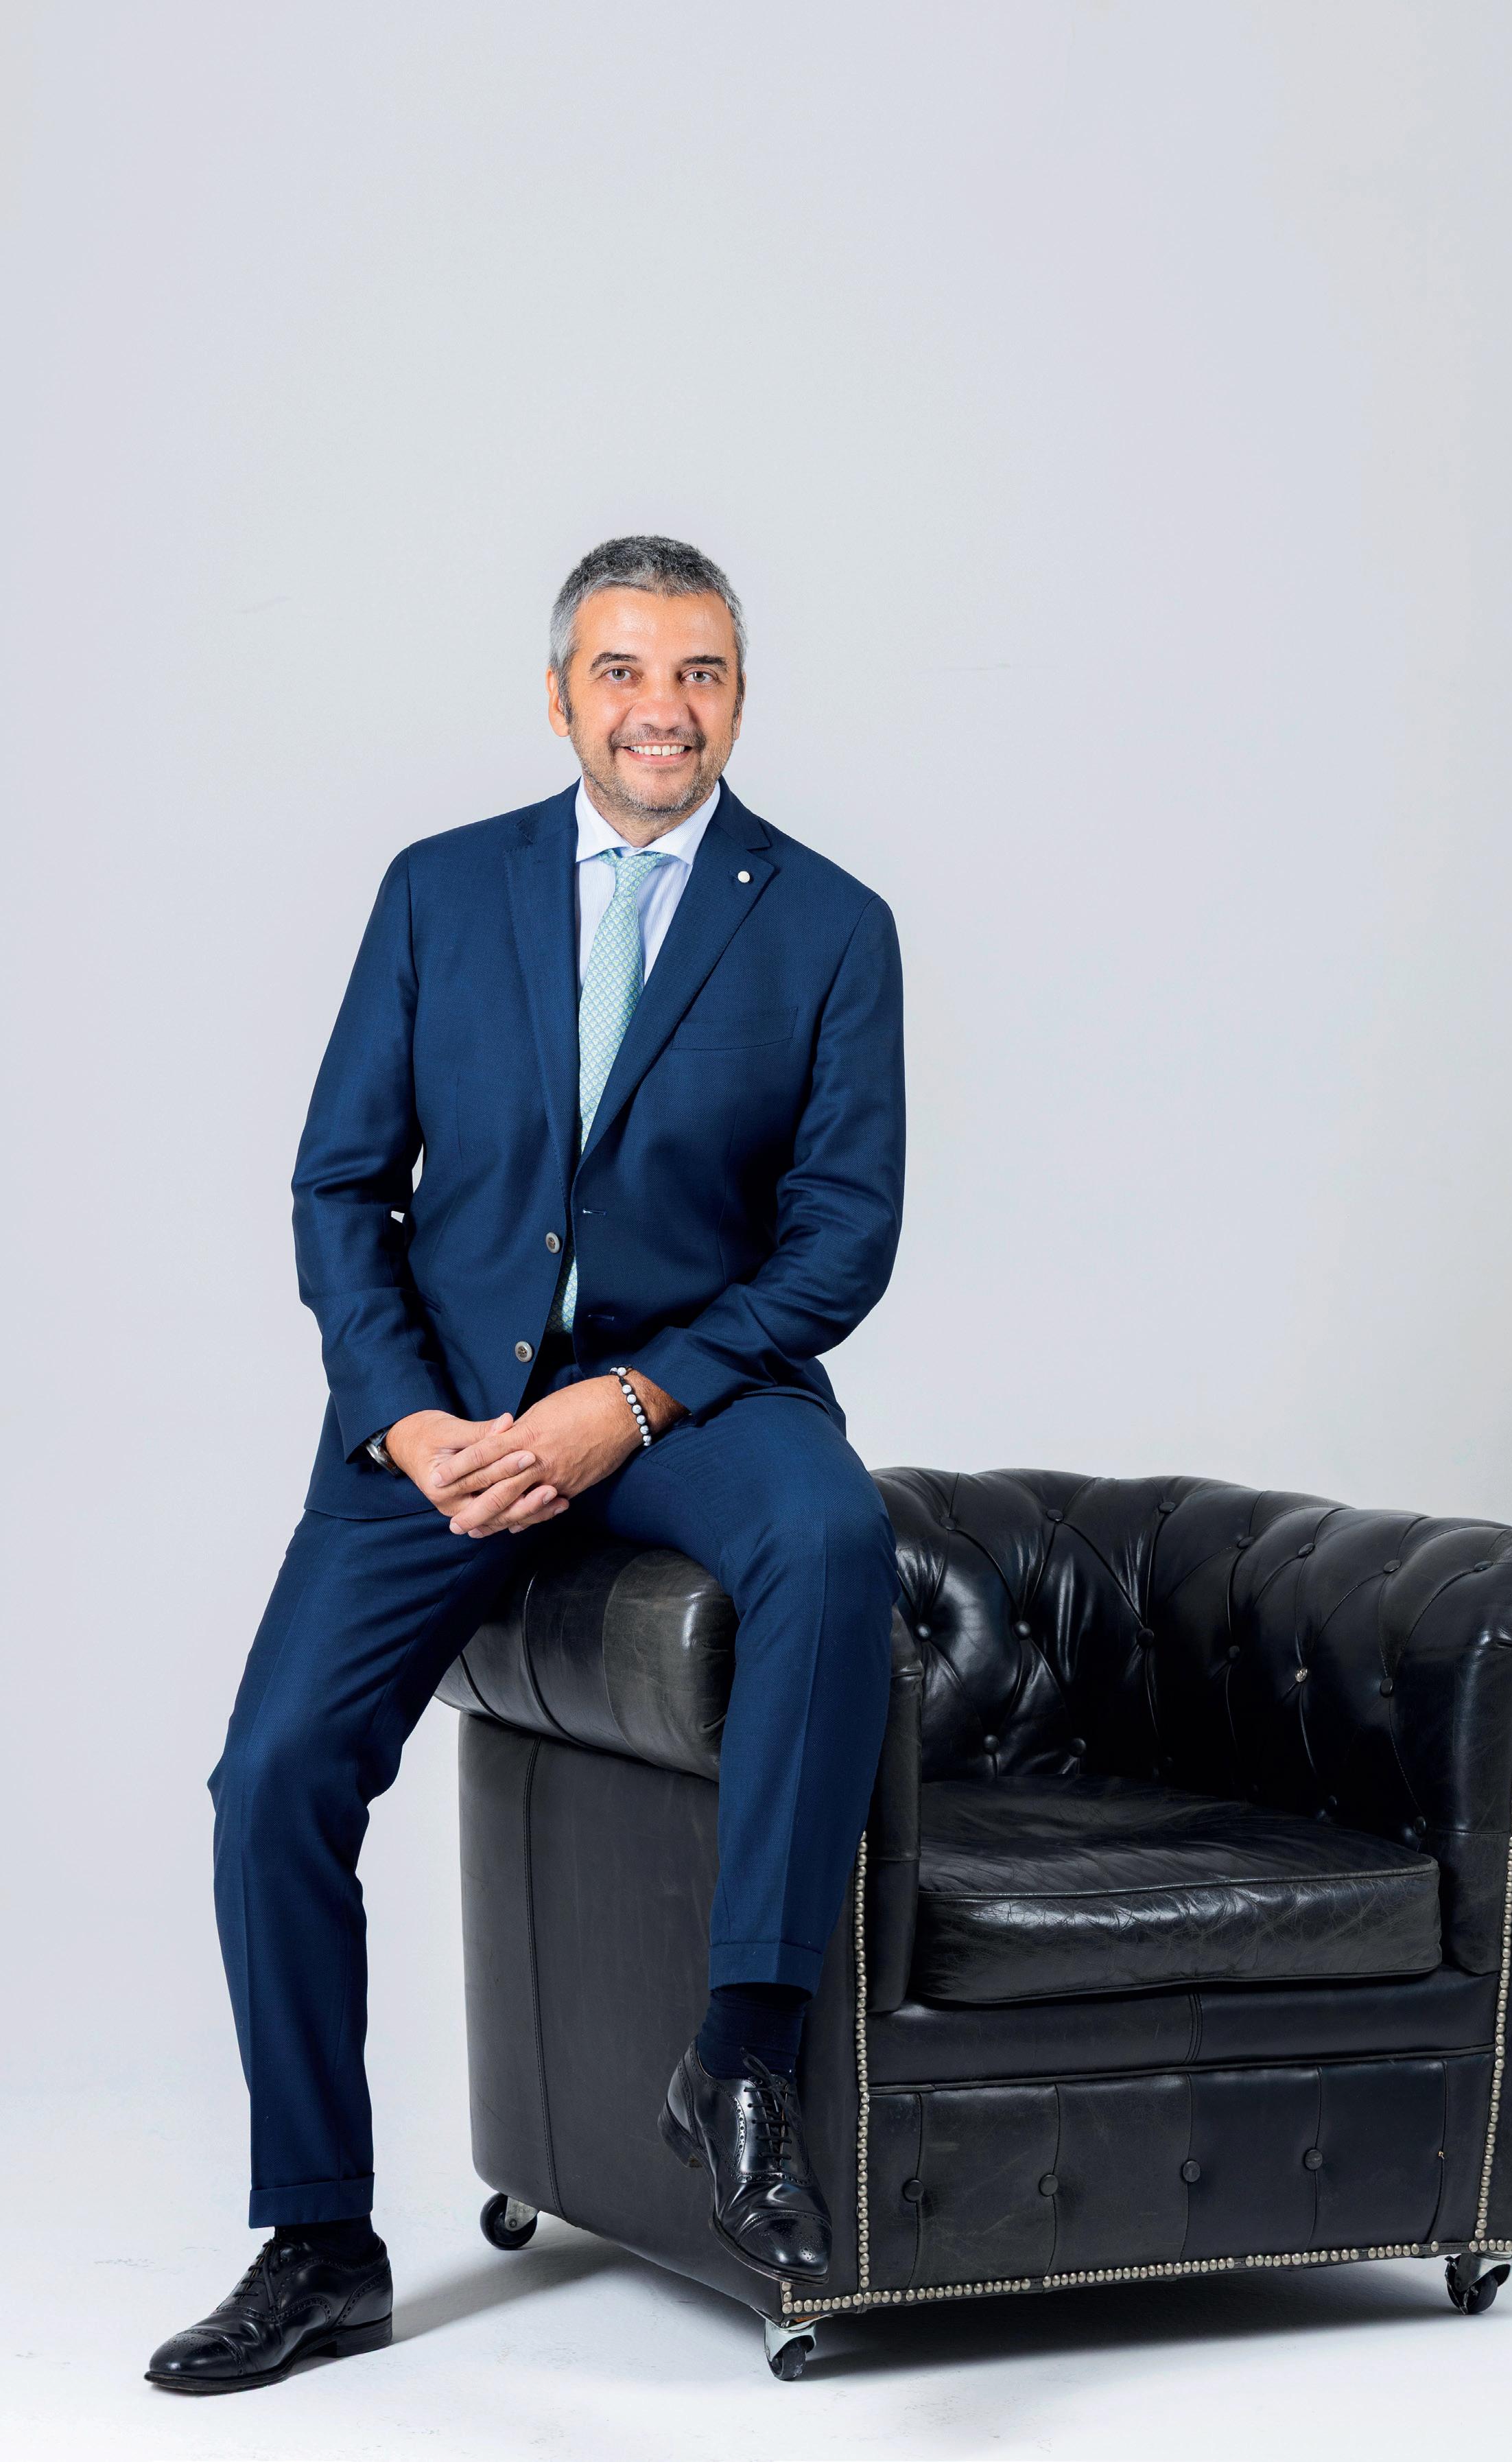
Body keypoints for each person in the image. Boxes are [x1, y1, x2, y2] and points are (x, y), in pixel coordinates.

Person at [146, 537, 905, 2394]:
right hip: (443, 1413)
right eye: (625, 671)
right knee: (272, 1776)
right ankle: (319, 2238)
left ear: (742, 696)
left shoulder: (828, 924)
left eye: (702, 672)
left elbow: (839, 1241)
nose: (664, 710)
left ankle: (743, 2052)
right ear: (558, 695)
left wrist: (628, 1401)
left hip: (690, 1398)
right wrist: (408, 1417)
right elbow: (342, 1187)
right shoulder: (439, 891)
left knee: (830, 1535)